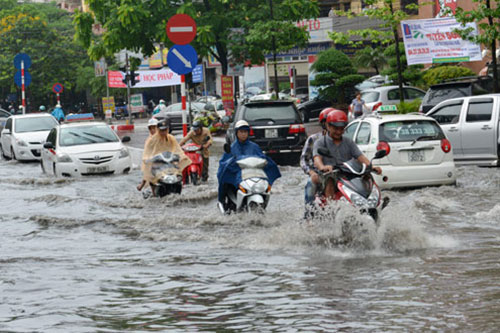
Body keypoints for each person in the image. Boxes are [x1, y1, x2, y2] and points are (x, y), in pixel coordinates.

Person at [313, 110, 382, 201]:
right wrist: (323, 167)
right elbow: (317, 158)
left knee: (367, 177)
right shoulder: (320, 142)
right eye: (336, 128)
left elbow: (360, 157)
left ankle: (373, 201)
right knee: (330, 180)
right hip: (329, 174)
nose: (338, 132)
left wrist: (371, 166)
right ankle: (330, 208)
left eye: (341, 129)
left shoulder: (348, 142)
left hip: (348, 174)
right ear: (328, 126)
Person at [217, 120, 281, 213]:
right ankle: (222, 202)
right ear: (237, 133)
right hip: (239, 175)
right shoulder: (232, 147)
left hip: (253, 174)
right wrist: (231, 163)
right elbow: (224, 162)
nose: (243, 134)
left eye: (245, 132)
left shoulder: (254, 147)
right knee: (223, 179)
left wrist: (267, 161)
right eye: (241, 132)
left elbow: (261, 158)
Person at [141, 119, 191, 196]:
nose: (164, 132)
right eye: (162, 130)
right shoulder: (152, 140)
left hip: (169, 162)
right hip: (157, 163)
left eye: (165, 130)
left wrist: (182, 156)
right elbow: (147, 152)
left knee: (178, 172)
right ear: (158, 130)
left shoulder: (171, 138)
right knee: (150, 174)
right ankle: (151, 190)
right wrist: (148, 158)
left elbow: (177, 149)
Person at [301, 108, 334, 219]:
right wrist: (311, 172)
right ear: (323, 123)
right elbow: (303, 160)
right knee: (311, 184)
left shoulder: (342, 140)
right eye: (329, 122)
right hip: (319, 174)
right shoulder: (313, 139)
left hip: (339, 173)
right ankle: (309, 216)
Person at [137, 118, 159, 191]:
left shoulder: (164, 136)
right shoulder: (149, 139)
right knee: (149, 169)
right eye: (150, 128)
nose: (152, 130)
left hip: (164, 158)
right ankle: (143, 184)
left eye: (154, 128)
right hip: (154, 160)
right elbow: (147, 152)